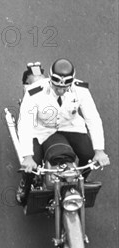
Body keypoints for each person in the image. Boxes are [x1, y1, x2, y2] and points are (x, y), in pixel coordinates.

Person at [16, 59, 111, 205]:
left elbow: (93, 118)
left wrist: (100, 150)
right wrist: (27, 156)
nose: (60, 90)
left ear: (71, 82)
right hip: (42, 130)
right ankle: (25, 186)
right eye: (57, 86)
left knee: (88, 155)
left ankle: (79, 182)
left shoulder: (81, 90)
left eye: (65, 87)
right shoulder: (34, 92)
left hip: (70, 126)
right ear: (50, 79)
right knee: (31, 166)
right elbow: (25, 124)